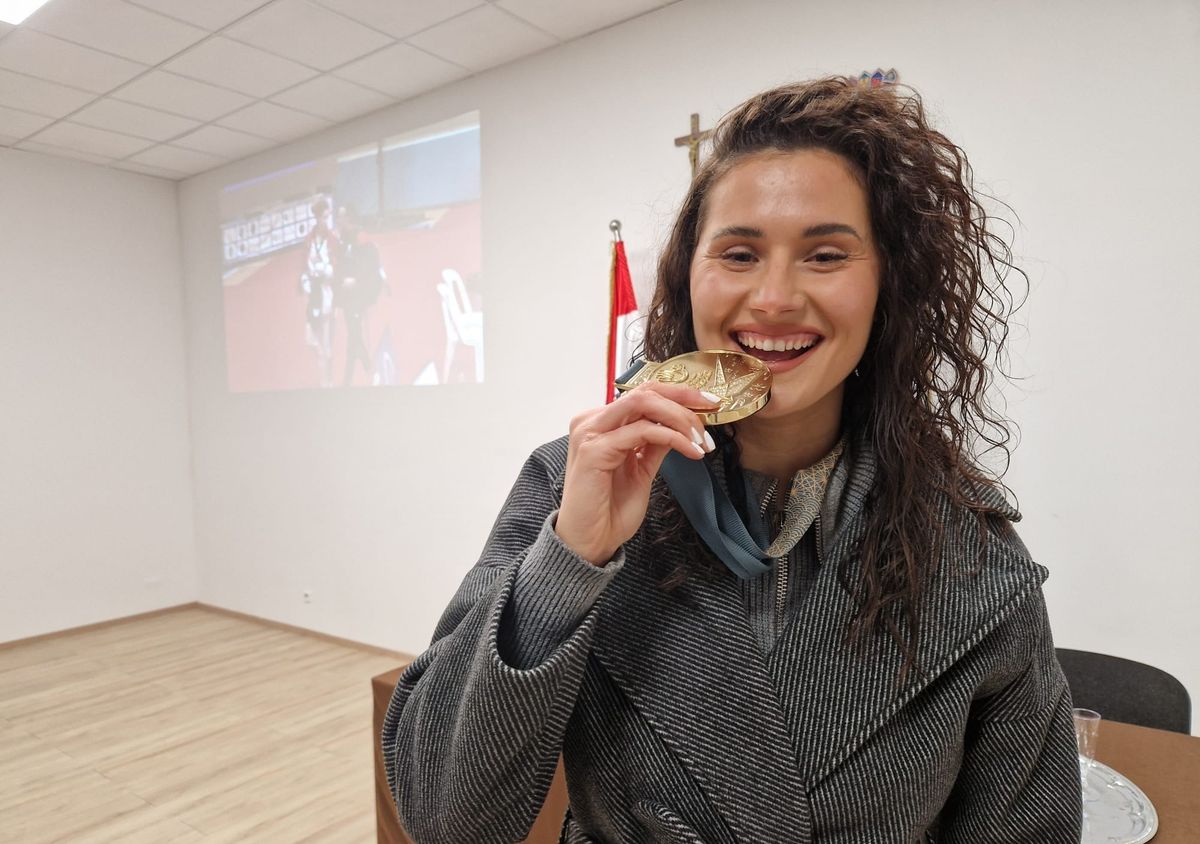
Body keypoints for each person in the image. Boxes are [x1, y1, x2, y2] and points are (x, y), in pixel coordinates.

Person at [382, 78, 1083, 843]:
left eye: (825, 255)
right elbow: (444, 817)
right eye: (740, 253)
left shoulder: (971, 549)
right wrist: (568, 563)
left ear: (888, 283)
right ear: (690, 275)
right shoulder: (575, 483)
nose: (774, 297)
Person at [335, 205, 385, 387]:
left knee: (353, 334)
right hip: (347, 294)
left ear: (348, 218)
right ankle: (367, 365)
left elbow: (369, 266)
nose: (337, 220)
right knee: (353, 332)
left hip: (360, 292)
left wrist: (355, 281)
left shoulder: (360, 237)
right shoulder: (342, 238)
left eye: (340, 217)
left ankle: (348, 379)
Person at [299, 197, 339, 388]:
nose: (326, 220)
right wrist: (305, 279)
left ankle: (327, 380)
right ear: (316, 218)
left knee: (325, 340)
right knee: (310, 339)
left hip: (327, 290)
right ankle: (323, 362)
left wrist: (328, 271)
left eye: (328, 216)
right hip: (313, 291)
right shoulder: (309, 240)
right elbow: (303, 266)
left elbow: (339, 267)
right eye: (323, 217)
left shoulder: (333, 239)